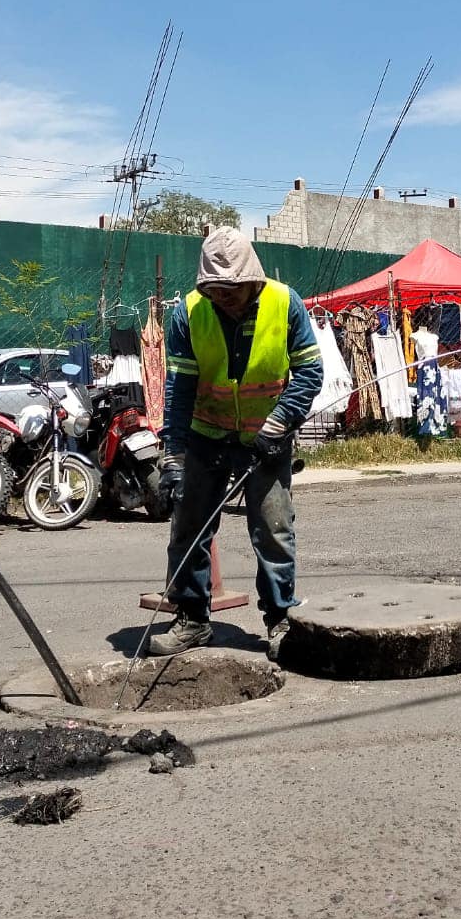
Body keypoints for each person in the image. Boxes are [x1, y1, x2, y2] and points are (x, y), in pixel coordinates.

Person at [149, 228, 323, 661]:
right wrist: (173, 454)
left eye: (230, 289)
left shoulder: (287, 304)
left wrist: (278, 425)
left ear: (252, 280)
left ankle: (280, 619)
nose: (221, 297)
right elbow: (180, 388)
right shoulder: (188, 312)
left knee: (273, 529)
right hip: (205, 436)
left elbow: (309, 373)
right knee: (188, 527)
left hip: (267, 439)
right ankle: (192, 619)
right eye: (213, 290)